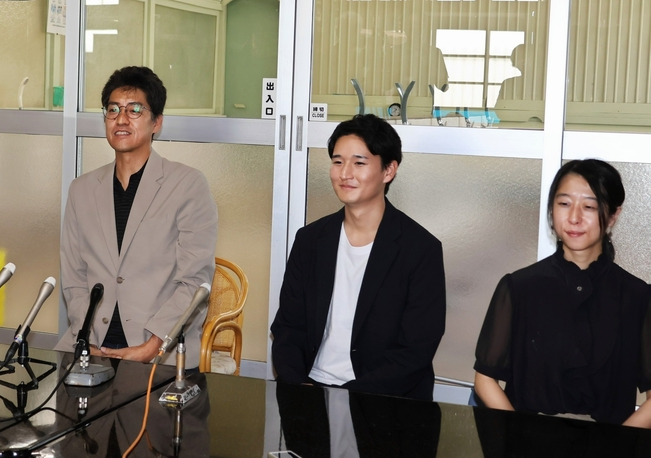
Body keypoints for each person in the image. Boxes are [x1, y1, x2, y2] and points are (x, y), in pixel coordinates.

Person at [270, 114, 446, 400]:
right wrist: (300, 387)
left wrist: (348, 397)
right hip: (312, 390)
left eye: (359, 163)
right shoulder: (311, 240)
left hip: (384, 401)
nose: (344, 173)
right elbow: (288, 328)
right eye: (338, 161)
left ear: (388, 171)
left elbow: (416, 350)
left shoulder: (419, 249)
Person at [54, 66, 218, 367]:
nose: (121, 119)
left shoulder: (187, 185)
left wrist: (155, 343)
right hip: (89, 347)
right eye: (113, 109)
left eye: (135, 110)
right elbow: (74, 277)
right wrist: (87, 337)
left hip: (158, 349)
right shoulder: (82, 189)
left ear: (157, 122)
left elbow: (195, 280)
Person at [474, 159, 651, 426]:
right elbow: (485, 379)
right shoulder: (519, 287)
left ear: (613, 215)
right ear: (551, 211)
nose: (574, 218)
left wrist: (620, 445)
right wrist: (517, 438)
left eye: (589, 206)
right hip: (529, 442)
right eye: (564, 203)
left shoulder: (638, 296)